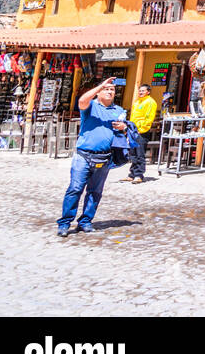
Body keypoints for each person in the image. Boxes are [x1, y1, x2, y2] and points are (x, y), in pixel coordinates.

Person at [57, 76, 128, 237]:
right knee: (75, 189)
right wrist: (100, 86)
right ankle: (64, 223)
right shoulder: (90, 107)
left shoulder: (119, 111)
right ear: (98, 93)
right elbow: (82, 100)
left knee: (95, 191)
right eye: (106, 89)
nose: (110, 91)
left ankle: (85, 221)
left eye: (112, 90)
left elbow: (123, 131)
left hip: (104, 157)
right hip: (84, 155)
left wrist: (124, 127)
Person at [125, 84, 158, 183]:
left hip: (141, 131)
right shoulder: (137, 102)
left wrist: (142, 129)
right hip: (133, 130)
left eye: (143, 91)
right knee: (133, 153)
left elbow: (149, 118)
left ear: (148, 92)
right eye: (140, 91)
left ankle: (139, 174)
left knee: (140, 153)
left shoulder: (150, 102)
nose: (140, 92)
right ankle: (132, 174)